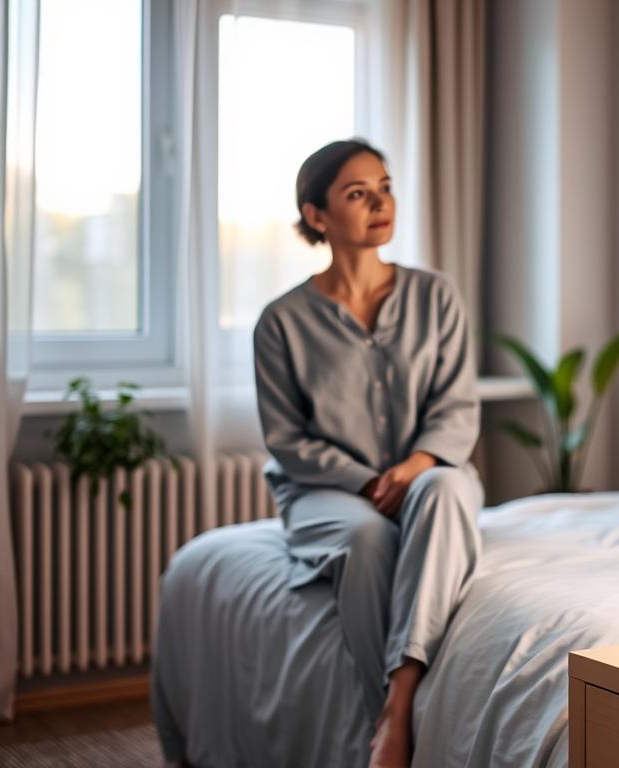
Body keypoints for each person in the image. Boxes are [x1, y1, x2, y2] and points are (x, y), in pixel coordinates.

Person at [253, 138, 483, 768]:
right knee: (368, 539)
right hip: (325, 494)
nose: (380, 202)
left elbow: (458, 409)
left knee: (444, 490)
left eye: (384, 186)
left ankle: (399, 699)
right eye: (358, 193)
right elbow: (287, 440)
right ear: (318, 216)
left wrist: (415, 465)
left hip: (429, 474)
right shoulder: (281, 321)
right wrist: (365, 482)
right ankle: (388, 709)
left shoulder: (436, 297)